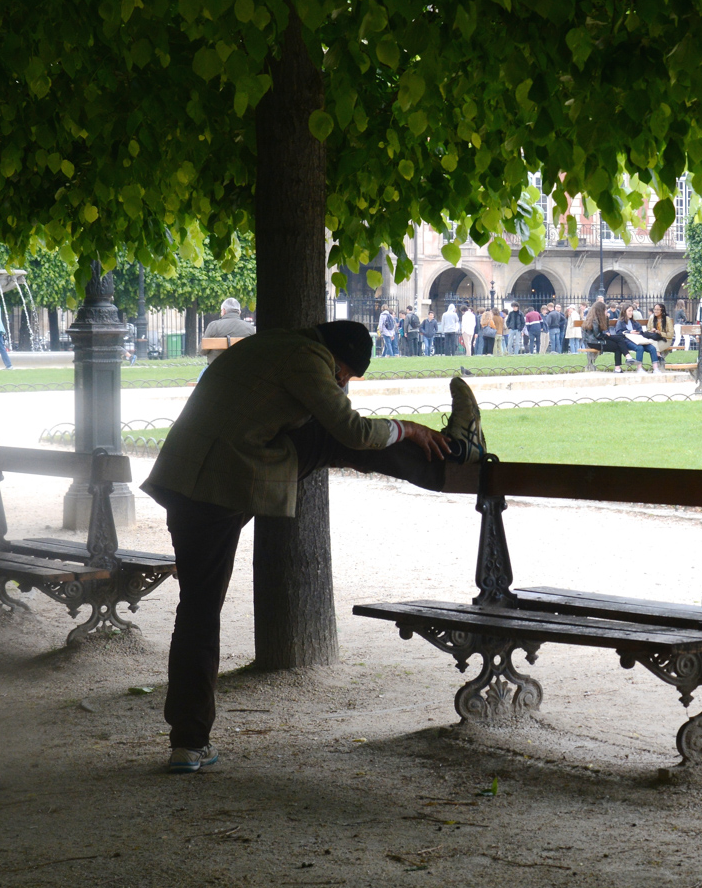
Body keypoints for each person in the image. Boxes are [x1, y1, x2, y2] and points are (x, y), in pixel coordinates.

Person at [142, 322, 486, 774]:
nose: (341, 385)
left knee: (198, 612)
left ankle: (188, 742)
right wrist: (409, 429)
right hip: (227, 477)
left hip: (183, 479)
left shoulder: (267, 345)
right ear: (337, 360)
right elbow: (355, 431)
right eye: (344, 376)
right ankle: (457, 452)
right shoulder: (307, 360)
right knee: (339, 436)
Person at [202, 298, 256, 364]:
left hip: (218, 369)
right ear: (239, 312)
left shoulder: (214, 326)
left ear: (224, 311)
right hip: (242, 370)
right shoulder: (250, 328)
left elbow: (202, 350)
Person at [586, 296, 631, 372]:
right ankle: (622, 364)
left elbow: (604, 330)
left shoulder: (600, 318)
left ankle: (626, 360)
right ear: (600, 310)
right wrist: (606, 335)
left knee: (619, 339)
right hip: (594, 342)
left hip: (600, 339)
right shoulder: (594, 320)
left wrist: (606, 318)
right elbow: (597, 335)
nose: (607, 310)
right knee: (618, 346)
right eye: (605, 309)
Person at [648, 302, 675, 370]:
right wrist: (652, 331)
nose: (655, 311)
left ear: (662, 310)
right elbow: (648, 330)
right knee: (652, 346)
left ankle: (656, 366)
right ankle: (659, 357)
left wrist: (660, 333)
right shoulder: (652, 319)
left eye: (658, 309)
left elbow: (671, 334)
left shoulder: (667, 319)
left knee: (653, 349)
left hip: (665, 340)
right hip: (654, 339)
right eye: (654, 309)